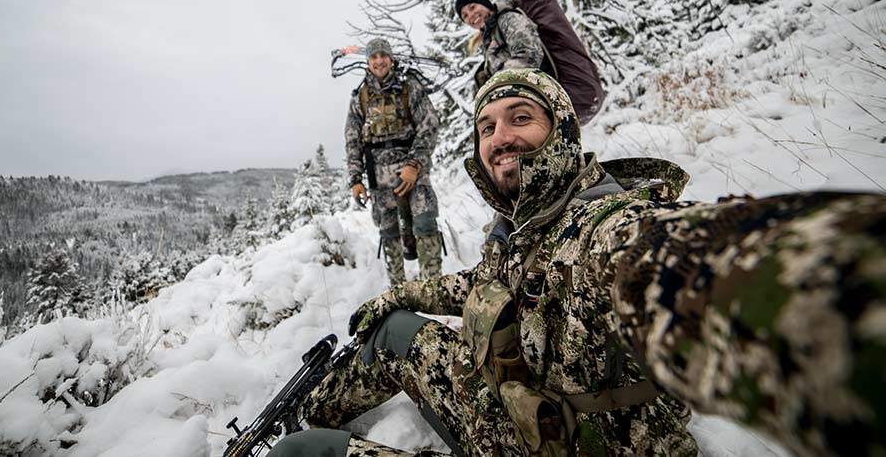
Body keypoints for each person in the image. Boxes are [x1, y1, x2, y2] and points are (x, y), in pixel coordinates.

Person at [273, 68, 885, 457]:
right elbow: (494, 284)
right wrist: (405, 294)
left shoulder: (604, 227)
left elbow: (709, 269)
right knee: (392, 332)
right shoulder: (526, 222)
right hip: (505, 411)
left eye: (521, 117)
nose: (500, 137)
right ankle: (307, 409)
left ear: (562, 132)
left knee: (300, 456)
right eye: (486, 126)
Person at [345, 37, 444, 287]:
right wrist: (356, 180)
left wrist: (415, 165)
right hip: (379, 177)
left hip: (413, 173)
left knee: (425, 225)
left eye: (383, 55)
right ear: (367, 62)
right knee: (389, 234)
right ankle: (398, 292)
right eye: (374, 57)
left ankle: (433, 289)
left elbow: (429, 125)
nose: (379, 61)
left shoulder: (409, 86)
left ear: (390, 58)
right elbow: (352, 139)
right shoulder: (361, 97)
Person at [456, 0, 604, 124]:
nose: (471, 15)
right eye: (465, 16)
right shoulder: (490, 36)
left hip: (543, 98)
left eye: (472, 7)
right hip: (531, 102)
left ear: (485, 3)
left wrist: (497, 84)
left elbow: (529, 53)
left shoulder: (508, 19)